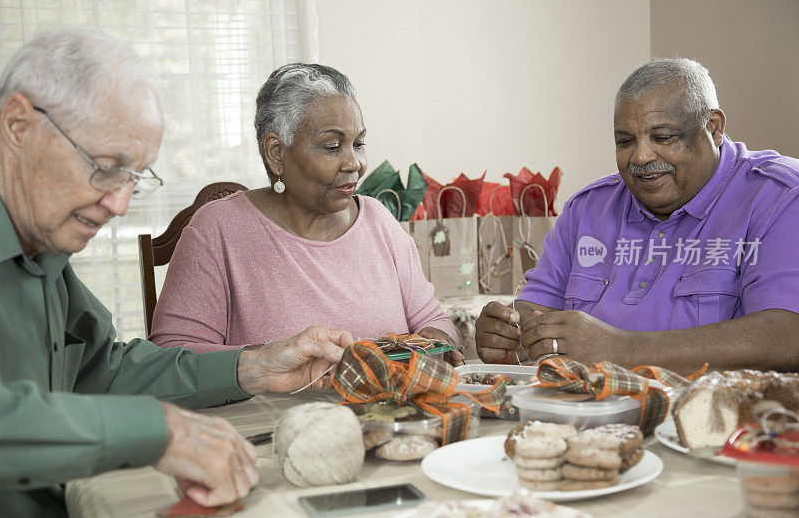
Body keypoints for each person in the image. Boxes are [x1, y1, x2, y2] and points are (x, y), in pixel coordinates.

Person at [0, 30, 356, 517]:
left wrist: (255, 365)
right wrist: (159, 430)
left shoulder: (42, 252)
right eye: (106, 167)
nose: (119, 205)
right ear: (18, 126)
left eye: (134, 178)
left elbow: (106, 372)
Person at [475, 58, 799, 375]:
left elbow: (786, 337)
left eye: (663, 137)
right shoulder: (588, 208)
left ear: (712, 128)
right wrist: (507, 331)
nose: (641, 157)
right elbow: (536, 308)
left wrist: (621, 349)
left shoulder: (779, 196)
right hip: (588, 416)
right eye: (625, 141)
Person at [148, 63, 463, 365]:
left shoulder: (379, 221)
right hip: (269, 420)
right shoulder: (218, 230)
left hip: (385, 418)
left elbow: (434, 322)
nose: (355, 163)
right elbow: (172, 358)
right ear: (277, 153)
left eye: (359, 143)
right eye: (332, 146)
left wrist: (434, 343)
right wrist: (273, 360)